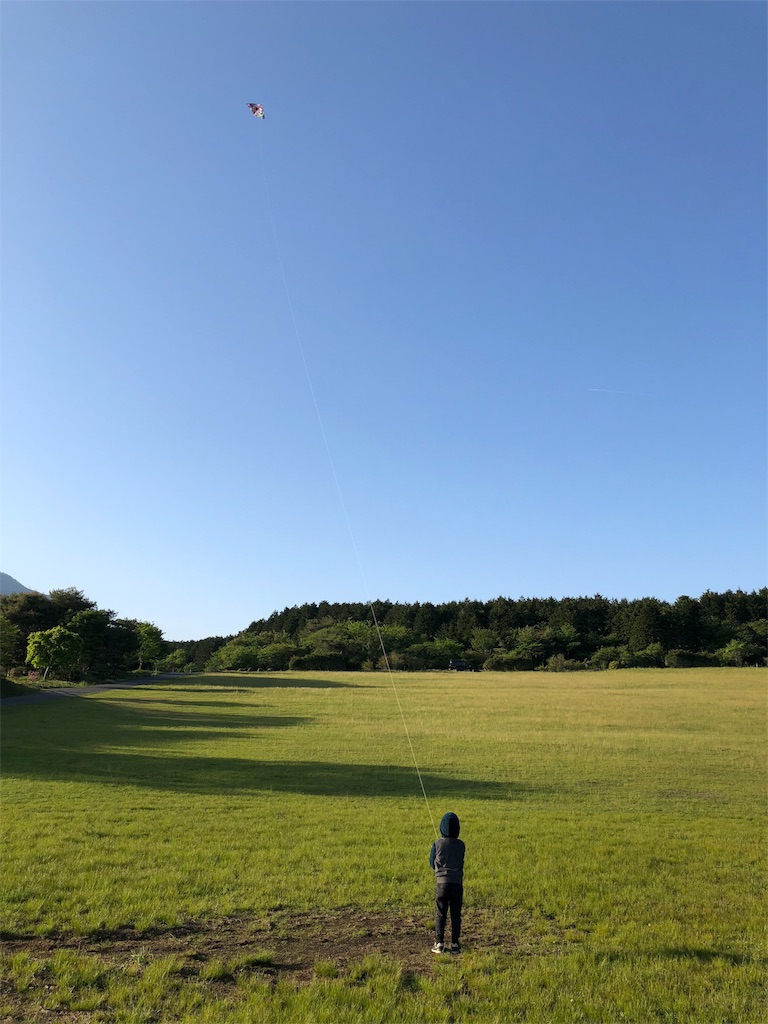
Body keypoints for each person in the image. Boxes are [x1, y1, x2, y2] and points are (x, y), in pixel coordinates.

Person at [429, 811, 465, 954]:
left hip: (441, 885)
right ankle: (455, 944)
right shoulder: (461, 845)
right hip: (457, 885)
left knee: (441, 914)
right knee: (456, 914)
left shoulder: (437, 844)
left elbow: (431, 863)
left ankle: (439, 943)